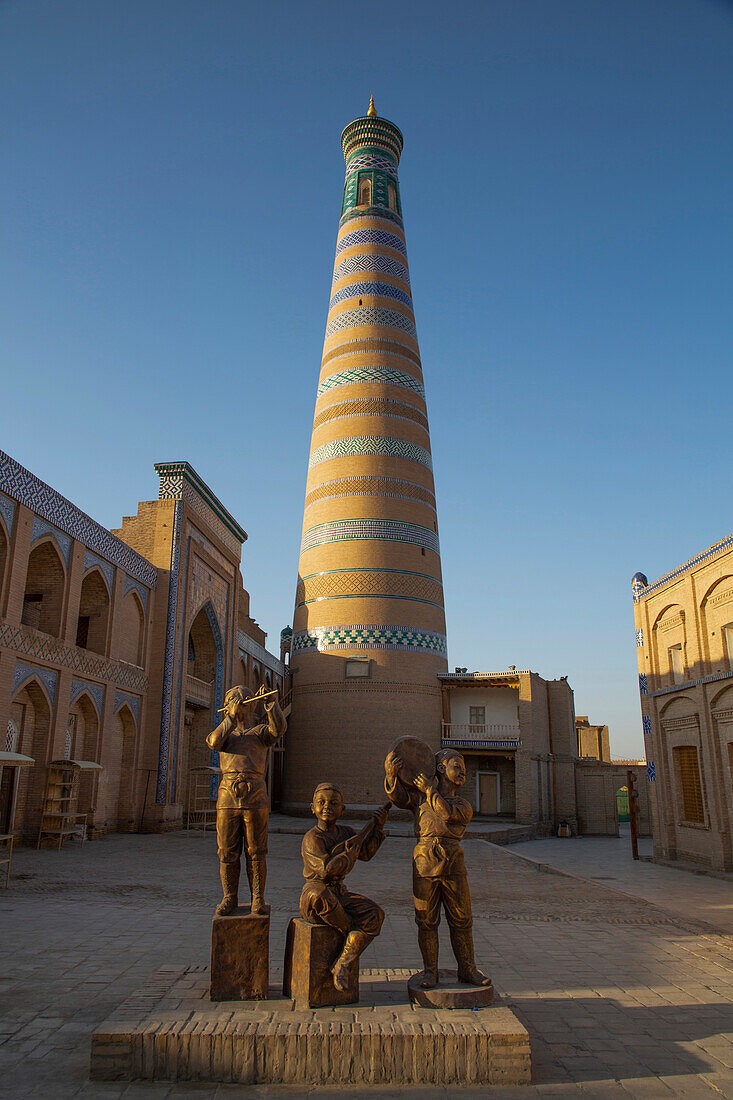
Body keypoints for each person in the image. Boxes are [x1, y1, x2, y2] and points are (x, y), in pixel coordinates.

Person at [384, 747, 491, 989]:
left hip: (453, 865)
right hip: (424, 865)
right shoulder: (420, 799)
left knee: (462, 920)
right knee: (426, 921)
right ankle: (430, 971)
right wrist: (391, 775)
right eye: (457, 766)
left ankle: (468, 969)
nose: (462, 772)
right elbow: (399, 798)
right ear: (441, 769)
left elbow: (447, 815)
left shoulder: (462, 804)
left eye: (463, 768)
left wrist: (430, 791)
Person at [299, 782, 389, 990]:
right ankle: (349, 931)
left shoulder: (346, 832)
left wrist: (378, 827)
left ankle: (343, 963)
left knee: (375, 914)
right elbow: (326, 870)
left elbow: (365, 853)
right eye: (321, 803)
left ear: (343, 809)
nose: (327, 807)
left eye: (333, 803)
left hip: (339, 894)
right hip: (315, 892)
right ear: (312, 808)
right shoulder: (312, 838)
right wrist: (349, 852)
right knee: (320, 894)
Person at [206, 684, 286, 916]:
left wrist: (272, 705)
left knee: (256, 850)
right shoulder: (225, 735)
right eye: (234, 698)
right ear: (227, 705)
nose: (240, 702)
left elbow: (278, 730)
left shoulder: (260, 733)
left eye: (244, 699)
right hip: (228, 794)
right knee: (227, 851)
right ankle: (229, 897)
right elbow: (213, 742)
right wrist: (230, 718)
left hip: (255, 794)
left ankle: (257, 898)